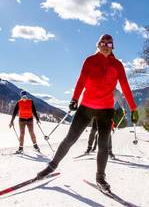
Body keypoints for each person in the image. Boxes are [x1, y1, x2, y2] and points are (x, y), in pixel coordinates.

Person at [36, 34, 139, 191]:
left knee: (103, 145)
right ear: (98, 45)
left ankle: (100, 177)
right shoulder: (90, 60)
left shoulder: (117, 65)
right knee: (70, 139)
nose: (105, 46)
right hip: (86, 107)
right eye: (102, 43)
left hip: (106, 110)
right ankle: (51, 166)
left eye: (109, 44)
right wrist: (74, 99)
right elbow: (81, 81)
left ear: (113, 47)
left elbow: (125, 87)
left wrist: (133, 108)